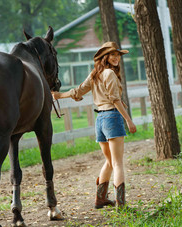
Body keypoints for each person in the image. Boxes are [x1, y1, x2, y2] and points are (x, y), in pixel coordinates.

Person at [52, 42, 136, 210]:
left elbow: (79, 91)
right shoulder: (109, 74)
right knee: (118, 163)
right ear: (104, 57)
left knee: (110, 161)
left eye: (118, 55)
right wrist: (128, 120)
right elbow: (115, 100)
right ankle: (121, 205)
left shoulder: (95, 74)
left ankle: (100, 199)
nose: (116, 58)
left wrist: (59, 95)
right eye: (112, 55)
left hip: (100, 120)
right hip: (112, 116)